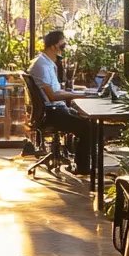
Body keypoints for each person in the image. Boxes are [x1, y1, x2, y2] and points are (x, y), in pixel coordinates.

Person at [28, 30, 93, 177]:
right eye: (62, 44)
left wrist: (77, 90)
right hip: (52, 113)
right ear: (52, 46)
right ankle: (82, 169)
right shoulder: (43, 66)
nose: (64, 47)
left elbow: (55, 89)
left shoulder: (46, 63)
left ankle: (80, 163)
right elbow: (52, 96)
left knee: (86, 121)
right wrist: (79, 96)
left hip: (55, 110)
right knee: (87, 127)